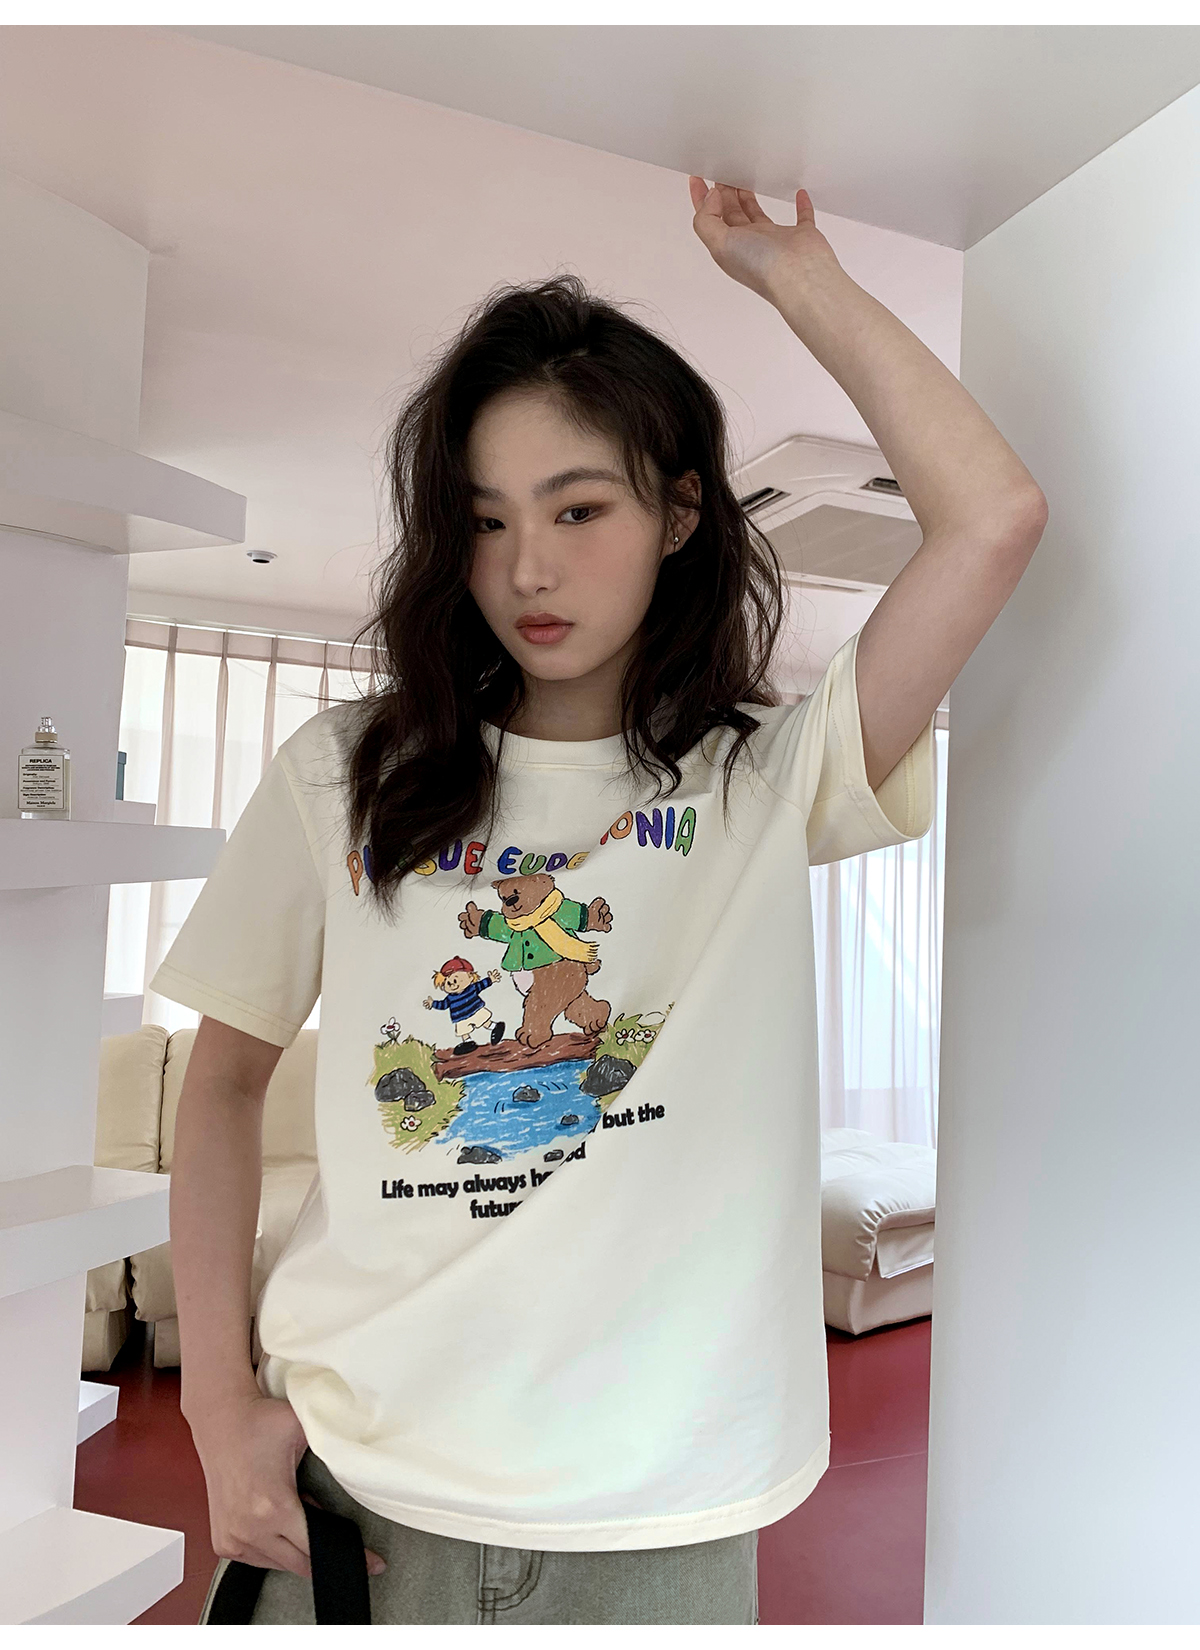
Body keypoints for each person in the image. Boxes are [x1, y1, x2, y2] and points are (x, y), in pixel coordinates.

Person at [161, 178, 1047, 1626]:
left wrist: (796, 274)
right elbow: (224, 1081)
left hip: (661, 1520)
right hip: (356, 1490)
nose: (529, 567)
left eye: (580, 508)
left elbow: (995, 517)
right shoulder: (344, 772)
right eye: (487, 518)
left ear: (680, 512)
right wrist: (212, 1407)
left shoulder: (766, 778)